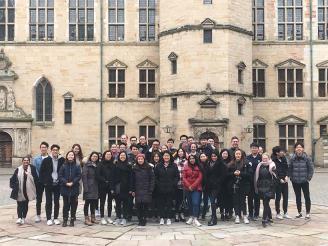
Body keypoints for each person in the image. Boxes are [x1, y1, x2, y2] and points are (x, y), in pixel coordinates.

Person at [39, 144, 65, 226]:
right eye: (53, 150)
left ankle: (56, 218)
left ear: (58, 151)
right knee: (49, 202)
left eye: (56, 150)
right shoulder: (46, 160)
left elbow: (64, 171)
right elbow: (41, 172)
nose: (55, 151)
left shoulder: (62, 160)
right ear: (51, 151)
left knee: (57, 202)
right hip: (49, 184)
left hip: (58, 184)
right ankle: (49, 218)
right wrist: (45, 182)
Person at [289, 142, 314, 219]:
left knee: (307, 197)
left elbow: (311, 169)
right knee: (298, 197)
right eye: (297, 147)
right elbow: (290, 169)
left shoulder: (307, 158)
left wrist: (308, 178)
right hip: (295, 181)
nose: (299, 148)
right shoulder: (292, 158)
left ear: (303, 149)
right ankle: (299, 212)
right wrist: (291, 178)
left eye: (300, 147)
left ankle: (307, 213)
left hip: (304, 181)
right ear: (295, 149)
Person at [10, 156, 38, 225]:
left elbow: (36, 179)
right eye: (24, 160)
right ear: (22, 161)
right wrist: (13, 186)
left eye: (27, 160)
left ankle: (23, 218)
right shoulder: (18, 169)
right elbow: (13, 178)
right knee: (19, 204)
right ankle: (19, 217)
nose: (26, 161)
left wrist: (29, 175)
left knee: (25, 204)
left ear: (29, 161)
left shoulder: (32, 168)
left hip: (28, 190)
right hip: (19, 190)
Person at [227, 149, 252, 224]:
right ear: (234, 155)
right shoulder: (230, 164)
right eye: (236, 154)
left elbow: (249, 174)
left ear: (241, 155)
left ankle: (244, 215)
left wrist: (240, 173)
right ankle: (237, 215)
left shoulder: (246, 163)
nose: (238, 155)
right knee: (236, 201)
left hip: (243, 185)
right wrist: (233, 173)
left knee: (243, 201)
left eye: (239, 154)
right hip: (234, 185)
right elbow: (227, 175)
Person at [154, 151, 179, 225]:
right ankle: (162, 218)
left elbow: (177, 176)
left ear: (170, 156)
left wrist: (173, 184)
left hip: (170, 188)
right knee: (160, 203)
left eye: (168, 156)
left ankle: (168, 218)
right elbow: (155, 177)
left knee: (169, 203)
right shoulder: (158, 165)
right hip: (160, 188)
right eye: (165, 156)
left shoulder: (174, 165)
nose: (166, 157)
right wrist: (159, 185)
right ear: (163, 157)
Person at [58, 151, 81, 227]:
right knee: (66, 205)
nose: (70, 156)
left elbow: (78, 176)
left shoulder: (77, 166)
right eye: (69, 155)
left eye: (72, 155)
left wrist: (73, 182)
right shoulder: (63, 166)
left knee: (73, 205)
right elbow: (60, 176)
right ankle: (65, 219)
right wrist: (66, 182)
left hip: (74, 188)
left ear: (74, 157)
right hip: (65, 188)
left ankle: (72, 219)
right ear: (67, 156)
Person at [131, 153, 155, 226]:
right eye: (139, 159)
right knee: (138, 205)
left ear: (144, 160)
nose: (140, 160)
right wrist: (133, 190)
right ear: (137, 160)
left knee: (145, 205)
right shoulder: (134, 168)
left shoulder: (148, 168)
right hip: (137, 189)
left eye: (141, 159)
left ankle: (144, 218)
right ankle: (140, 219)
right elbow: (132, 180)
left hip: (146, 189)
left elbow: (152, 179)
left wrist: (151, 189)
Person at [255, 153, 277, 227]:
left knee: (266, 202)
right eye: (263, 158)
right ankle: (269, 217)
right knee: (265, 203)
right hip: (261, 186)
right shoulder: (259, 165)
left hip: (269, 186)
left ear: (269, 158)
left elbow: (275, 176)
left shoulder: (272, 165)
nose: (264, 159)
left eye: (266, 158)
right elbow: (257, 176)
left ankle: (264, 219)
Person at [205, 151, 227, 226]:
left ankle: (214, 218)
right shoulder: (208, 163)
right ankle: (213, 216)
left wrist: (217, 182)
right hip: (209, 186)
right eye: (212, 156)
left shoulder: (221, 164)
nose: (213, 157)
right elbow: (206, 174)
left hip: (217, 186)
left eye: (215, 156)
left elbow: (223, 176)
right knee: (212, 201)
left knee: (212, 201)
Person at [97, 150, 118, 225]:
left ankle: (109, 217)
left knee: (110, 202)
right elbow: (98, 175)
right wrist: (105, 180)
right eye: (107, 154)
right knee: (102, 202)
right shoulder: (100, 164)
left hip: (111, 186)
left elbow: (115, 175)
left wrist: (112, 184)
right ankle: (102, 217)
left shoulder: (113, 164)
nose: (108, 156)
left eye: (110, 154)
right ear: (104, 155)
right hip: (102, 185)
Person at [272, 146, 291, 220]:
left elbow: (287, 168)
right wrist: (279, 179)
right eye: (281, 151)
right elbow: (274, 172)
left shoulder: (284, 159)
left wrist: (287, 176)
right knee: (278, 198)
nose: (283, 152)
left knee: (285, 197)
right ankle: (278, 213)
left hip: (285, 181)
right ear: (277, 153)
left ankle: (285, 212)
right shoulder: (273, 160)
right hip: (278, 182)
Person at [183, 155, 203, 227]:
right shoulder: (186, 167)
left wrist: (193, 186)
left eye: (193, 158)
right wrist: (189, 186)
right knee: (190, 203)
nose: (192, 160)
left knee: (196, 203)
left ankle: (195, 218)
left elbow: (200, 177)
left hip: (197, 188)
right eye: (190, 159)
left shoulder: (199, 167)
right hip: (187, 188)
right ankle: (191, 216)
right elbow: (184, 177)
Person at [32, 141, 49, 223]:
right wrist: (39, 179)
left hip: (48, 182)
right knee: (39, 199)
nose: (43, 149)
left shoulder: (50, 158)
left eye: (45, 147)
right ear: (40, 148)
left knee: (49, 199)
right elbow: (34, 170)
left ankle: (48, 215)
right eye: (42, 147)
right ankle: (38, 215)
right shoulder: (36, 159)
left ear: (47, 148)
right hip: (39, 182)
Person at [115, 151, 133, 226]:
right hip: (118, 187)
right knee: (118, 203)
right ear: (119, 156)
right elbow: (112, 177)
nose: (122, 156)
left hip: (126, 187)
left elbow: (131, 178)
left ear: (126, 157)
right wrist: (112, 188)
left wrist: (131, 188)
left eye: (124, 155)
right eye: (121, 155)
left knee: (126, 204)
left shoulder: (129, 166)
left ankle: (125, 218)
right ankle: (118, 217)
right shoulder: (115, 165)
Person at [82, 152, 99, 226]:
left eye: (96, 156)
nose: (94, 157)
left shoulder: (97, 165)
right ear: (90, 157)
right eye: (93, 156)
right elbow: (84, 176)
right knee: (87, 203)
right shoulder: (87, 165)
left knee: (93, 203)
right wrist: (86, 188)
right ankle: (86, 218)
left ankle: (93, 217)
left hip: (95, 187)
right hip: (88, 186)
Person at [246, 143, 262, 220]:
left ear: (258, 149)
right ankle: (250, 213)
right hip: (250, 181)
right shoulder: (247, 158)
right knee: (250, 198)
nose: (254, 149)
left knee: (257, 198)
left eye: (255, 148)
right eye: (252, 148)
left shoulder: (261, 158)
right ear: (250, 149)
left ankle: (256, 214)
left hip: (258, 181)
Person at [173, 148, 188, 222]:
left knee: (183, 200)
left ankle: (182, 213)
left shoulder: (187, 161)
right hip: (177, 183)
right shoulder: (175, 161)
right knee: (177, 199)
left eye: (182, 151)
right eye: (179, 151)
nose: (180, 153)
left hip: (185, 183)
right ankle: (176, 213)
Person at [220, 149, 233, 220]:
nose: (225, 155)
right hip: (221, 184)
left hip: (228, 183)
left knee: (228, 198)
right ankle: (222, 213)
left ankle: (227, 212)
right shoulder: (219, 162)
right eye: (223, 153)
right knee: (221, 199)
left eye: (226, 154)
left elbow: (232, 172)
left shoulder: (231, 163)